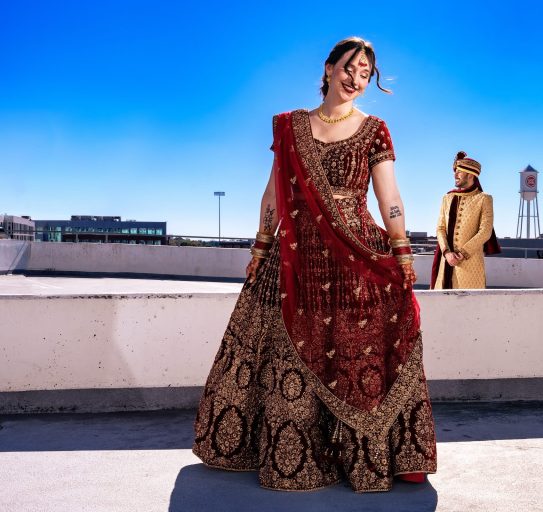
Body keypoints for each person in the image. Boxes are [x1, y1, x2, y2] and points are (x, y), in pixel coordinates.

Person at [193, 37, 437, 493]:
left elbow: (390, 198)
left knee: (355, 352)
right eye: (349, 68)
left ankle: (379, 454)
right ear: (327, 69)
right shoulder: (289, 126)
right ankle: (294, 454)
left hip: (354, 255)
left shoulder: (375, 129)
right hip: (293, 257)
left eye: (365, 74)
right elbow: (272, 194)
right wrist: (260, 247)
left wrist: (402, 250)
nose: (356, 79)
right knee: (286, 351)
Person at [430, 151, 501, 289]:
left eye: (459, 171)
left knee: (470, 305)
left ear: (470, 174)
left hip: (470, 264)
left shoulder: (484, 199)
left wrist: (461, 254)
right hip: (445, 262)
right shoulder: (447, 198)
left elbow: (485, 231)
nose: (455, 175)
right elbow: (440, 228)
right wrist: (447, 253)